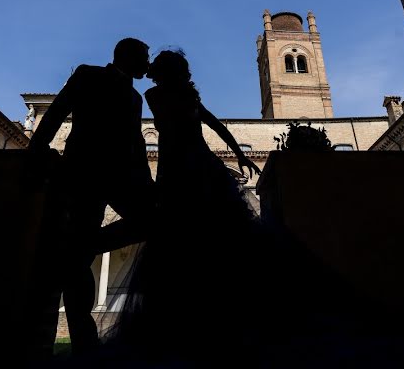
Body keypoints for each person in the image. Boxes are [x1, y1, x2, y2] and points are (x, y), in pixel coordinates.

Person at [81, 50, 382, 367]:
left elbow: (181, 136)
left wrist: (236, 155)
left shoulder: (153, 95)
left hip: (181, 172)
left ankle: (191, 322)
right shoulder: (184, 94)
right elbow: (213, 128)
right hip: (200, 168)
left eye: (155, 63)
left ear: (161, 71)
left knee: (181, 246)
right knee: (224, 239)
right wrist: (238, 154)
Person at [24, 38, 156, 361]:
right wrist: (37, 148)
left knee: (146, 224)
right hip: (80, 177)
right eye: (144, 56)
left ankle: (85, 244)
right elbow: (57, 111)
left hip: (113, 180)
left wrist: (149, 187)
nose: (147, 62)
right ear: (128, 56)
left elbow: (136, 144)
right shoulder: (88, 75)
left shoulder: (135, 96)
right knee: (76, 266)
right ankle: (85, 344)